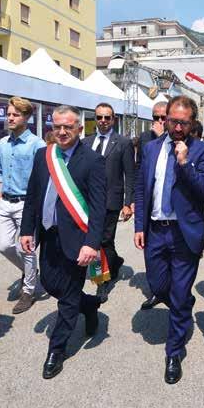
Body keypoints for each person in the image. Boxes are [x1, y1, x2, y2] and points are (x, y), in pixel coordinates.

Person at [20, 105, 106, 379]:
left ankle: (56, 350)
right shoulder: (43, 155)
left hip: (77, 239)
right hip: (48, 234)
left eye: (68, 126)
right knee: (50, 284)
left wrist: (92, 243)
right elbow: (32, 195)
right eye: (57, 126)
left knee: (67, 296)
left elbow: (99, 207)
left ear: (79, 128)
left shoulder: (92, 160)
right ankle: (89, 305)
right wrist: (27, 230)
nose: (62, 131)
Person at [134, 95, 204, 384]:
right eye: (173, 121)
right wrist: (139, 226)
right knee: (157, 285)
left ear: (192, 123)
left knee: (178, 295)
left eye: (184, 123)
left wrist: (184, 163)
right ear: (165, 119)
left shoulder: (203, 151)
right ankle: (183, 303)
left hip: (184, 233)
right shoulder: (151, 148)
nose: (178, 128)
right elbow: (142, 188)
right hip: (155, 230)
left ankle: (174, 351)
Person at [83, 103, 135, 297]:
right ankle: (114, 262)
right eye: (99, 117)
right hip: (88, 201)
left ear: (113, 119)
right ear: (95, 119)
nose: (103, 121)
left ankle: (101, 280)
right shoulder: (85, 142)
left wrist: (128, 203)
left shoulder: (123, 143)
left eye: (107, 117)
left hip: (111, 201)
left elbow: (130, 175)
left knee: (103, 241)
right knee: (95, 240)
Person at [0, 97, 45, 314]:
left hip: (27, 204)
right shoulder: (2, 143)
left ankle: (29, 291)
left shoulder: (37, 144)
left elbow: (43, 176)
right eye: (8, 114)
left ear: (26, 117)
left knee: (25, 248)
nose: (10, 118)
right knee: (3, 245)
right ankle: (30, 272)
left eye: (15, 115)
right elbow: (0, 170)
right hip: (5, 202)